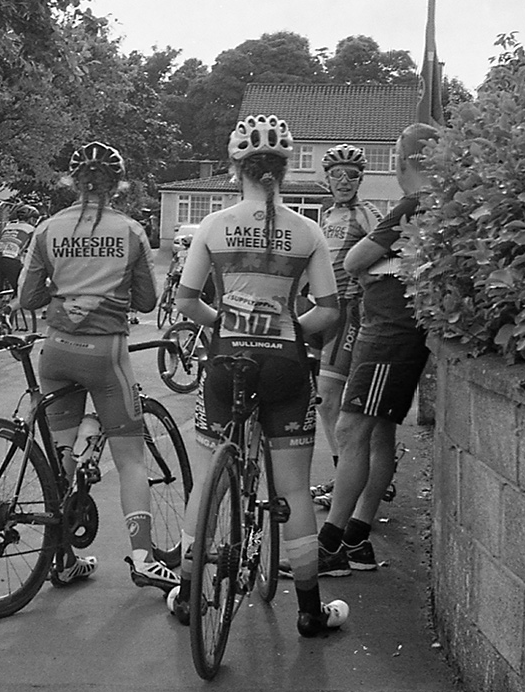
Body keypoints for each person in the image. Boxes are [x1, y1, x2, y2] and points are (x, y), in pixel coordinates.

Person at [169, 114, 348, 638]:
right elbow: (331, 311)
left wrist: (222, 323)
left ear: (236, 169)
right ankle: (310, 610)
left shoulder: (212, 226)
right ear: (285, 171)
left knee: (208, 480)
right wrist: (292, 327)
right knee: (291, 488)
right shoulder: (307, 230)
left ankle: (188, 593)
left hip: (227, 362)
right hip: (287, 365)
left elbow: (186, 300)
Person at [16, 142, 173, 591]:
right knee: (130, 459)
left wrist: (64, 292)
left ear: (72, 182)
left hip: (57, 351)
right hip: (106, 354)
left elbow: (27, 297)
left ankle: (62, 558)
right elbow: (147, 301)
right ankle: (143, 557)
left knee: (60, 458)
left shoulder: (48, 228)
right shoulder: (130, 230)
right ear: (117, 186)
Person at [318, 122, 440, 577]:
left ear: (399, 160)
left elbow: (352, 261)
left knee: (350, 429)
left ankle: (331, 546)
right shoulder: (433, 205)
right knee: (378, 431)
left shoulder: (412, 205)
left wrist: (374, 267)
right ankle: (356, 540)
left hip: (387, 334)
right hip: (392, 331)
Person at [308, 145, 385, 512]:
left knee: (328, 397)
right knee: (327, 401)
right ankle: (348, 473)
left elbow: (390, 252)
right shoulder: (328, 214)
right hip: (325, 311)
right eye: (336, 174)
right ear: (325, 179)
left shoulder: (366, 214)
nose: (343, 181)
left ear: (361, 180)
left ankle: (351, 478)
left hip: (351, 312)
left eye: (351, 175)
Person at [0, 203, 38, 312]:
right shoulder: (32, 230)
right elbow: (33, 251)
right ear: (31, 219)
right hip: (11, 260)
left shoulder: (8, 227)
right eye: (35, 219)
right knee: (23, 293)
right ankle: (7, 311)